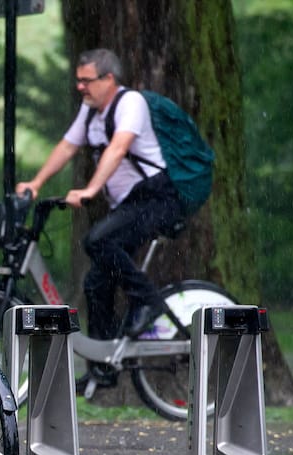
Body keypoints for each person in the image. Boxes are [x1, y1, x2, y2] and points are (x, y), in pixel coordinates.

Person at [16, 48, 182, 370]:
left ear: (108, 79)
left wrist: (91, 189)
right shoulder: (91, 110)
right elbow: (67, 145)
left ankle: (149, 302)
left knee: (97, 241)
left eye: (86, 81)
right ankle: (102, 368)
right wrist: (36, 183)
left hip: (157, 198)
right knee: (96, 283)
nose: (80, 87)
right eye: (78, 80)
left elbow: (119, 148)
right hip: (132, 203)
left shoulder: (130, 102)